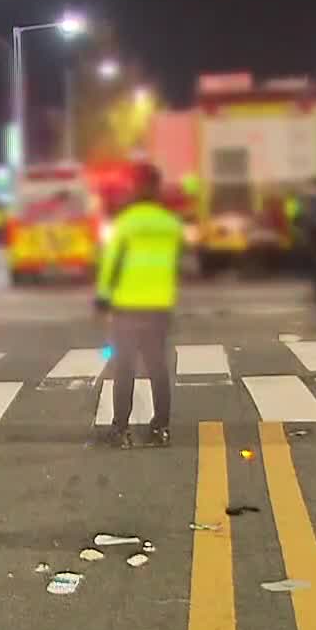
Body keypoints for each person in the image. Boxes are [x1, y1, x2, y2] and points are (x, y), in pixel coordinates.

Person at [96, 163, 183, 448]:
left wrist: (103, 294)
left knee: (125, 367)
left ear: (136, 188)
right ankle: (161, 428)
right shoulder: (170, 223)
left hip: (128, 304)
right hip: (159, 304)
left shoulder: (126, 221)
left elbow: (110, 261)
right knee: (158, 366)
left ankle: (121, 430)